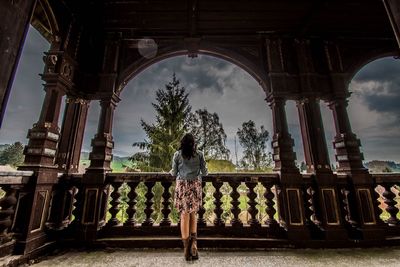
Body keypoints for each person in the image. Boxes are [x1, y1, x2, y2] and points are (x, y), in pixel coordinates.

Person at [170, 133, 208, 261]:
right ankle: (194, 245)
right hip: (195, 186)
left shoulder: (177, 155)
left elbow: (174, 172)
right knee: (193, 215)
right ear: (194, 144)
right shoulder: (199, 154)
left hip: (183, 187)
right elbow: (205, 172)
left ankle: (186, 249)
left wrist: (172, 172)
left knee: (184, 215)